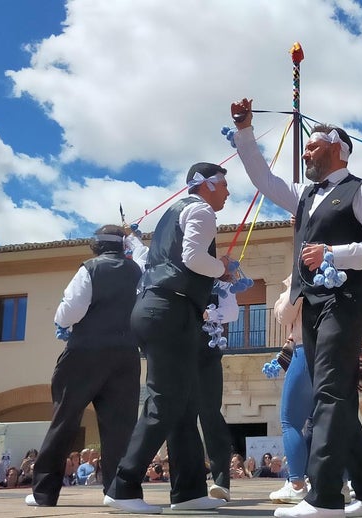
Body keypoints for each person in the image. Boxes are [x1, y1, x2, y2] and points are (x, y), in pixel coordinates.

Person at [232, 99, 362, 518]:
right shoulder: (305, 195)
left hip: (346, 301)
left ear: (338, 148)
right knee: (337, 395)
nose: (305, 152)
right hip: (314, 307)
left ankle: (324, 498)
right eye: (304, 147)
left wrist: (333, 253)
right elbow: (264, 179)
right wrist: (245, 131)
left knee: (328, 394)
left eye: (313, 145)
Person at [106, 162, 233, 514]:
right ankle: (123, 486)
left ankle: (189, 492)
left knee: (184, 403)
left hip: (160, 309)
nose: (228, 192)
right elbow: (194, 258)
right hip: (170, 310)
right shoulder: (202, 210)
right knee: (164, 401)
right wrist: (223, 268)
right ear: (210, 185)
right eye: (225, 185)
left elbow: (172, 258)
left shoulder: (171, 215)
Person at [25, 224, 144, 508]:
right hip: (126, 354)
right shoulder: (138, 270)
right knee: (121, 427)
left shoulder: (90, 269)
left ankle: (44, 493)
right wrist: (134, 239)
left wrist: (62, 322)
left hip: (85, 353)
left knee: (64, 420)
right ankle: (120, 493)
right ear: (123, 246)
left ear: (96, 246)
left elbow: (69, 311)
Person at [195, 277, 240, 502]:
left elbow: (232, 312)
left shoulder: (220, 282)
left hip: (207, 354)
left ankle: (221, 481)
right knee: (179, 416)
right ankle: (189, 485)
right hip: (177, 351)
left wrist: (208, 314)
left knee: (210, 413)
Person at [269, 275, 311, 505]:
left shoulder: (301, 277)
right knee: (328, 421)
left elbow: (284, 315)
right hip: (335, 354)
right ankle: (340, 484)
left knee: (291, 422)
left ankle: (296, 485)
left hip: (306, 351)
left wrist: (290, 288)